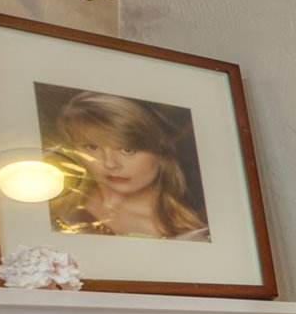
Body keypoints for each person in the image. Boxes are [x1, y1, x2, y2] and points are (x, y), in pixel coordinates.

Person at [46, 91, 210, 241]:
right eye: (92, 147)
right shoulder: (52, 205)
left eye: (127, 150)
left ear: (159, 152)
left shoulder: (189, 234)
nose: (110, 163)